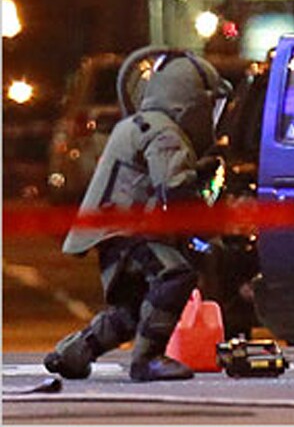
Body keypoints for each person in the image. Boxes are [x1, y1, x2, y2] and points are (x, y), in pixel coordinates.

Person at [44, 47, 232, 382]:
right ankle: (147, 360)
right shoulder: (165, 133)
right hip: (128, 233)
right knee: (175, 276)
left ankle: (73, 354)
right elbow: (175, 193)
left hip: (113, 232)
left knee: (131, 310)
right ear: (189, 101)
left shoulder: (138, 124)